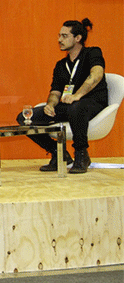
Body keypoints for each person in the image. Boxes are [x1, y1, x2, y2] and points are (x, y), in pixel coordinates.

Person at [16, 18, 108, 174]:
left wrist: (77, 95)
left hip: (92, 103)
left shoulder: (92, 53)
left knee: (76, 107)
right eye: (59, 35)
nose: (59, 40)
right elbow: (55, 91)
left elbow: (96, 75)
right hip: (70, 105)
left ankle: (81, 154)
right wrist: (50, 104)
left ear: (78, 38)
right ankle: (58, 153)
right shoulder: (61, 65)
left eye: (64, 36)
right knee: (25, 118)